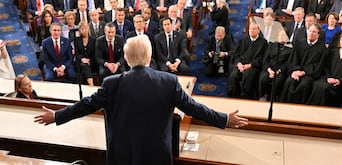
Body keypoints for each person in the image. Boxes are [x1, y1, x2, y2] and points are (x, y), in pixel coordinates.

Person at [35, 35, 248, 164]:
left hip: (122, 154)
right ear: (149, 56)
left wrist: (56, 115)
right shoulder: (169, 81)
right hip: (156, 154)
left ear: (126, 59)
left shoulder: (111, 83)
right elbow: (194, 108)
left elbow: (84, 106)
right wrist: (223, 119)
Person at [281, 24, 327, 104]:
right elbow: (293, 60)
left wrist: (303, 72)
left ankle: (300, 110)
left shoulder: (322, 48)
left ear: (318, 35)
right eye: (310, 31)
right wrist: (295, 71)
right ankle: (285, 107)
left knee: (304, 85)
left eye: (314, 32)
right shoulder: (299, 43)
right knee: (289, 82)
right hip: (296, 72)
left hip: (309, 75)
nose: (311, 33)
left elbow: (318, 66)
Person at [228, 22, 268, 99]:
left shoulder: (263, 43)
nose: (252, 31)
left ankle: (245, 97)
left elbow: (262, 58)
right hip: (241, 65)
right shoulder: (243, 40)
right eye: (250, 29)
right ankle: (235, 96)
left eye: (254, 29)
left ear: (258, 30)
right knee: (234, 75)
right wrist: (239, 64)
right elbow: (236, 55)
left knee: (248, 76)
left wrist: (250, 65)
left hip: (253, 66)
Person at [308, 33, 342, 106]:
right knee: (317, 85)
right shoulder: (333, 52)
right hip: (328, 78)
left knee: (325, 89)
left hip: (339, 82)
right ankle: (311, 109)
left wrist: (339, 80)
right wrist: (328, 77)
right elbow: (326, 67)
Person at [259, 30, 292, 101]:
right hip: (269, 69)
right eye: (279, 35)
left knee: (277, 82)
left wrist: (278, 71)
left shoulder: (290, 48)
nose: (281, 37)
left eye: (283, 35)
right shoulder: (272, 45)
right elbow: (266, 60)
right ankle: (264, 95)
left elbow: (288, 63)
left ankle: (273, 98)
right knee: (263, 79)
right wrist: (269, 70)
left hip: (281, 71)